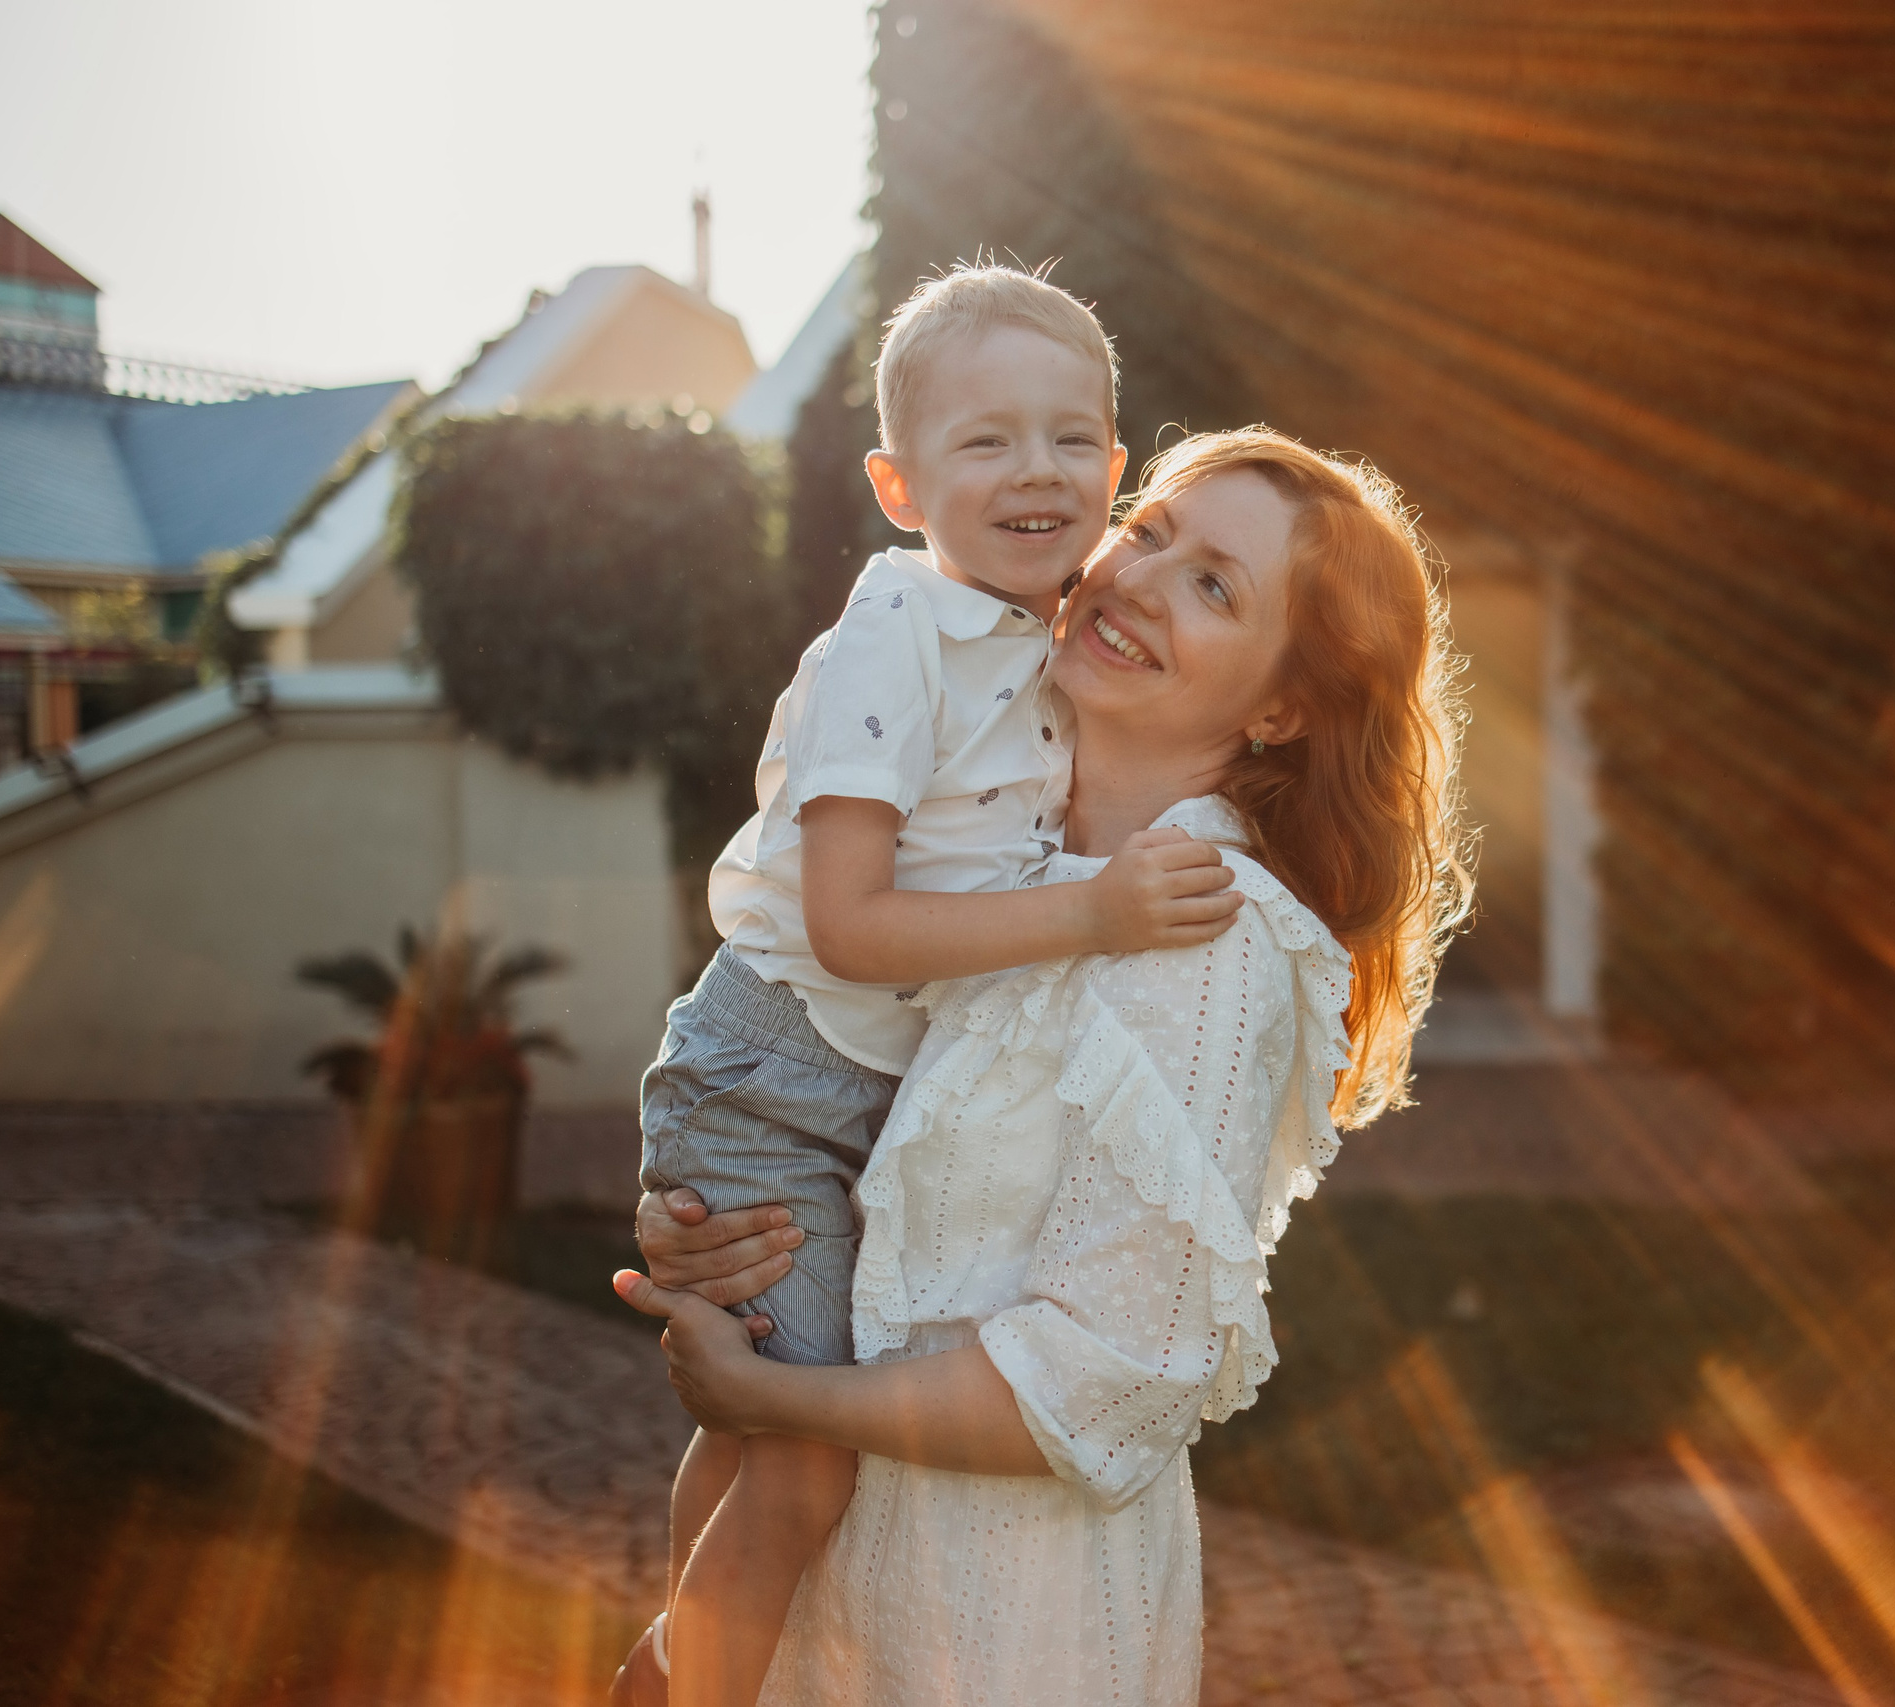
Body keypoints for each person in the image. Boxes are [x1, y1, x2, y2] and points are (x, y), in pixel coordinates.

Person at [618, 426, 1472, 1705]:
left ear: (1283, 706)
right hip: (831, 1602)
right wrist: (714, 1213)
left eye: (1214, 586)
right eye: (1153, 530)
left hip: (999, 1627)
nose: (1137, 575)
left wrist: (781, 1402)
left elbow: (1107, 1388)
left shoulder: (1206, 934)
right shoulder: (996, 848)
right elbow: (854, 1123)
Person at [617, 265, 1246, 1707]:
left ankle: (689, 1640)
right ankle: (674, 1681)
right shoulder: (897, 632)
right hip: (780, 1069)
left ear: (1117, 462)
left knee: (749, 1439)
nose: (1038, 468)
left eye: (1072, 436)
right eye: (986, 441)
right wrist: (1091, 911)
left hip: (859, 1080)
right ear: (899, 488)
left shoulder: (1054, 627)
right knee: (807, 1450)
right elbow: (845, 921)